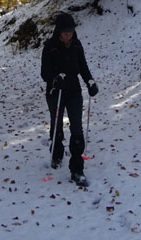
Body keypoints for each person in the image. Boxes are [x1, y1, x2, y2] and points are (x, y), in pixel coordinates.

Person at [41, 12, 99, 185]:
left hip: (73, 91)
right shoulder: (50, 46)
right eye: (65, 31)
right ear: (58, 31)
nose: (68, 34)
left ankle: (77, 169)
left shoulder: (77, 45)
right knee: (57, 124)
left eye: (71, 31)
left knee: (77, 129)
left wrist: (90, 82)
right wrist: (54, 79)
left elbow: (83, 67)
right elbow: (44, 72)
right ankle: (57, 153)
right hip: (55, 92)